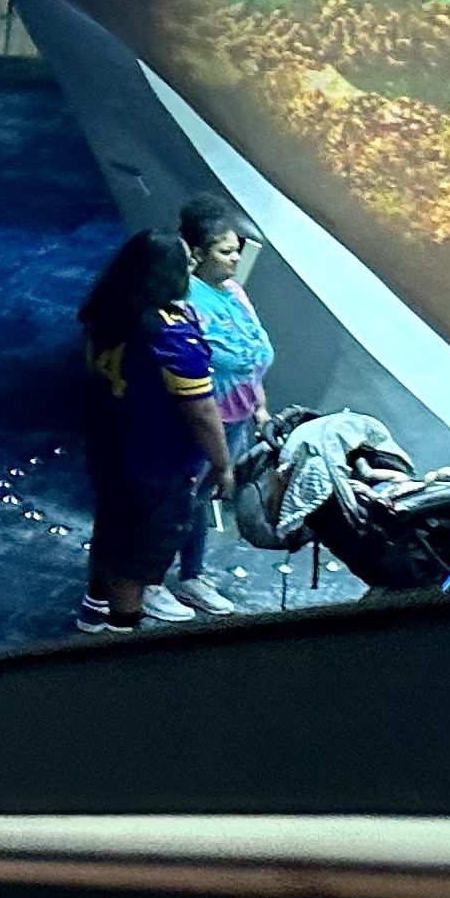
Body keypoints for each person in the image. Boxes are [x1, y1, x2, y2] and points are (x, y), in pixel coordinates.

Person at [77, 230, 224, 633]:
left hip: (109, 448)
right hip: (157, 463)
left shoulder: (107, 312)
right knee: (137, 556)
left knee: (111, 529)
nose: (193, 264)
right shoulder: (171, 335)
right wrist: (223, 464)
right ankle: (124, 632)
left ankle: (93, 610)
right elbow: (201, 411)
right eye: (186, 260)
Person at [166, 198, 277, 616]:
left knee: (201, 498)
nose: (235, 258)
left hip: (237, 418)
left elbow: (250, 355)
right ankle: (160, 579)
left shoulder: (233, 291)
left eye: (236, 250)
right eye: (225, 251)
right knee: (184, 499)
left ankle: (190, 574)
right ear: (197, 254)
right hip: (199, 423)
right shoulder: (182, 301)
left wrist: (261, 409)